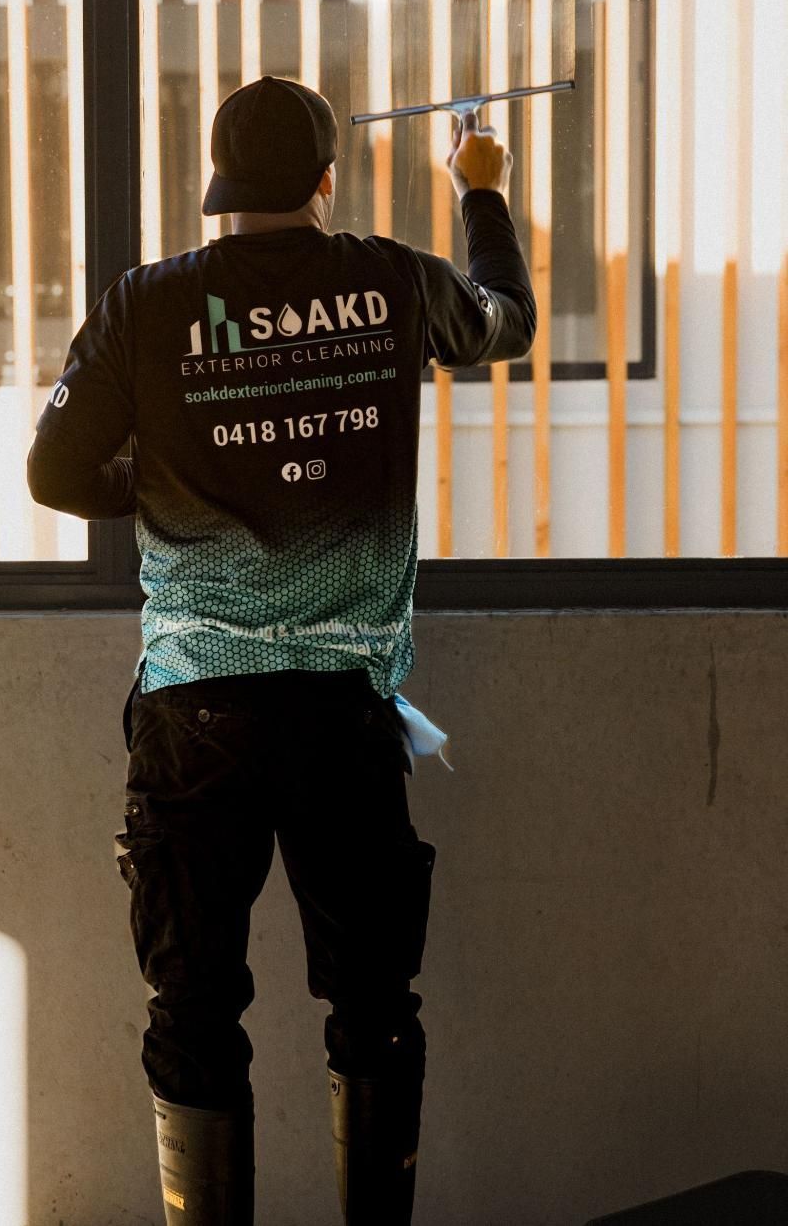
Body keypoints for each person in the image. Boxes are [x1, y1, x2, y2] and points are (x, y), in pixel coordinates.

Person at [27, 75, 535, 1226]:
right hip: (343, 711)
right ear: (322, 182)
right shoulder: (394, 282)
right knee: (374, 1004)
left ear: (218, 187)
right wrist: (481, 191)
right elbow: (508, 316)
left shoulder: (147, 304)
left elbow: (56, 472)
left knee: (193, 1008)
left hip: (192, 709)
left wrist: (165, 483)